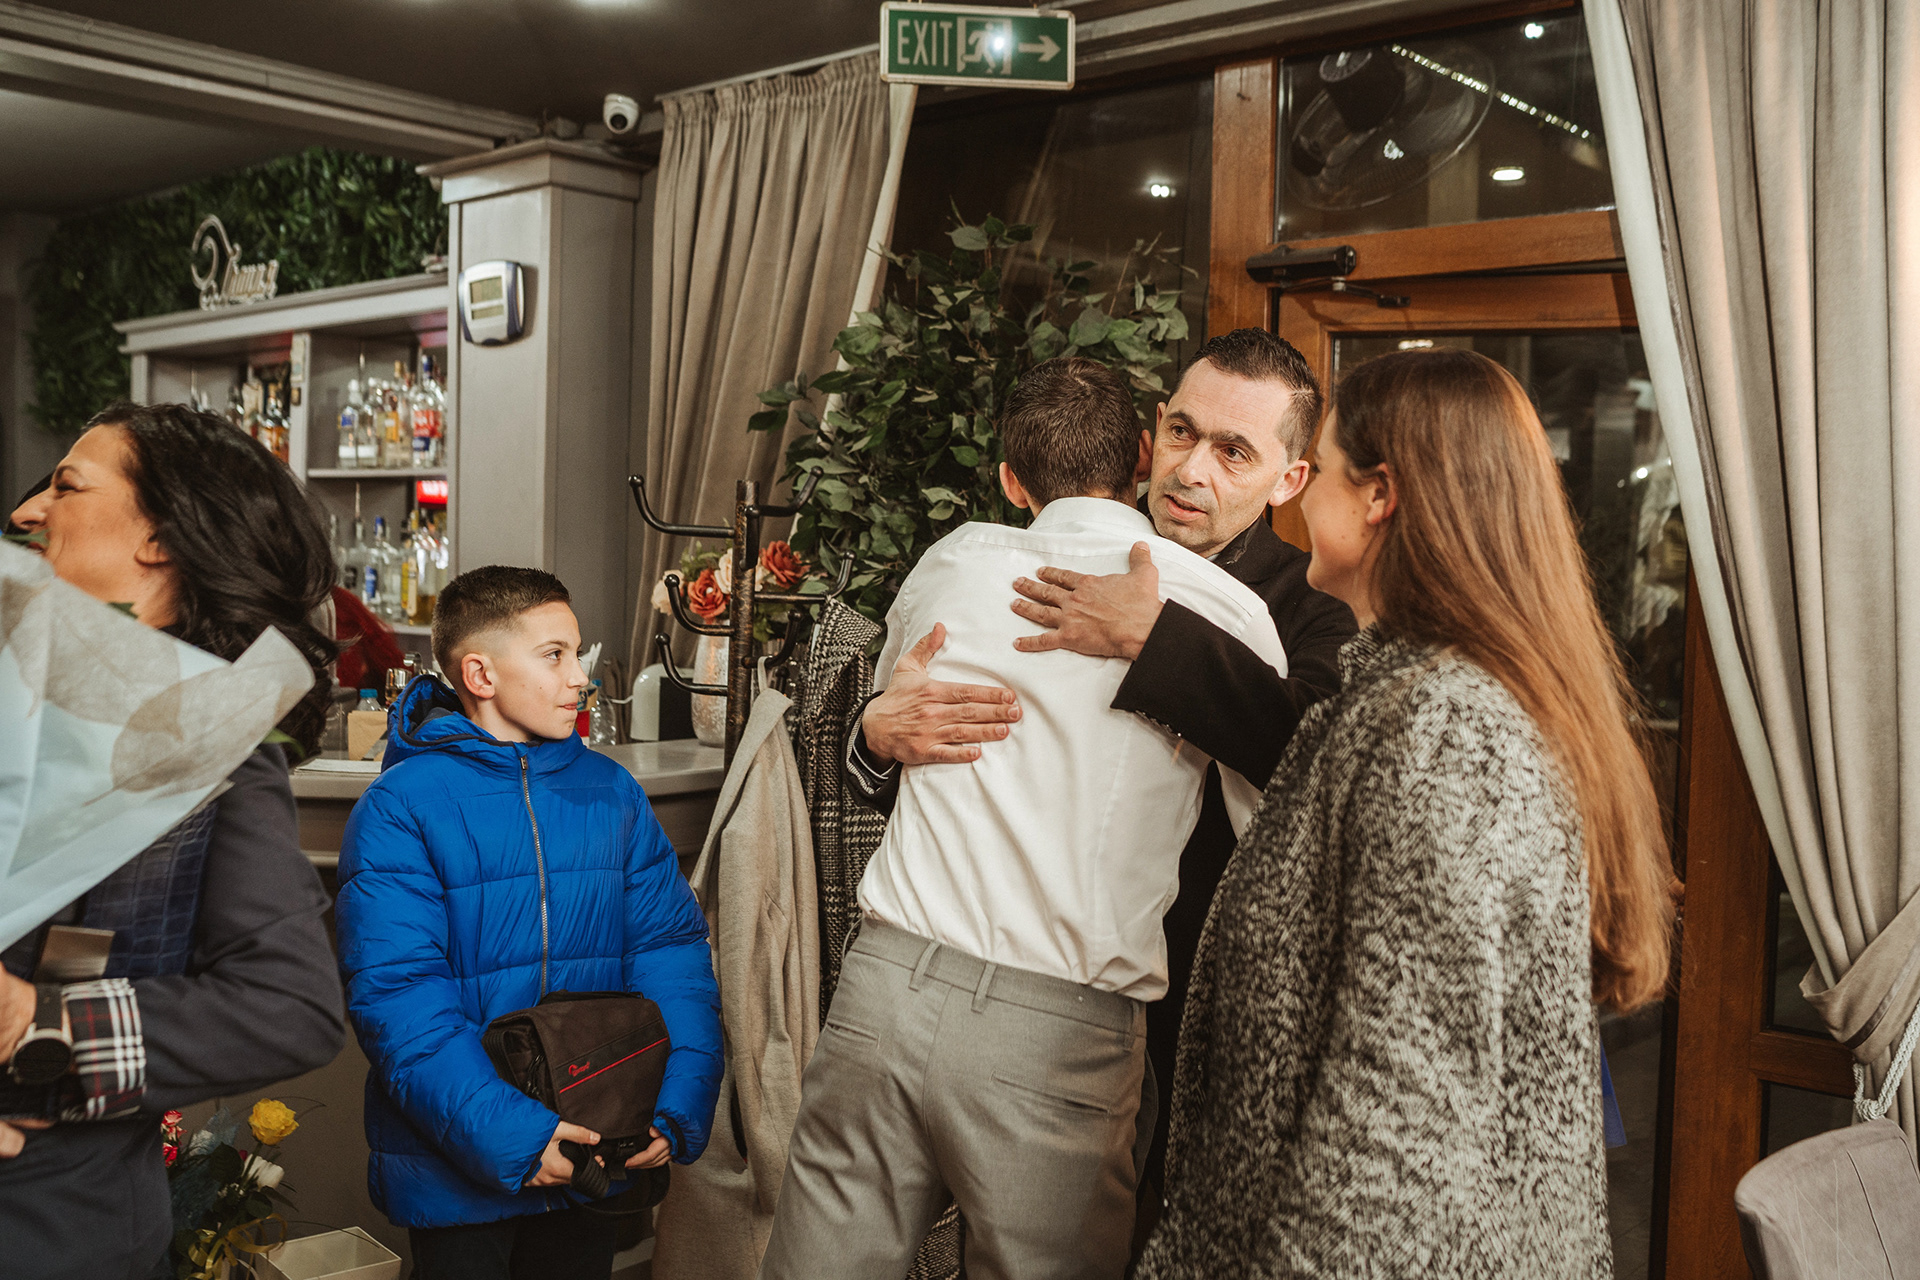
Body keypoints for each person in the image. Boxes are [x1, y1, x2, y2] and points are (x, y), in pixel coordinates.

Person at [1136, 349, 1677, 1277]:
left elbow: (1392, 1142)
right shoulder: (1410, 697)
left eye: (1321, 467)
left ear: (1377, 496)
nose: (1303, 498)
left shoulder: (1441, 731)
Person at [761, 357, 1288, 1280]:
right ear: (1142, 453)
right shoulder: (1227, 610)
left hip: (881, 988)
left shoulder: (952, 560)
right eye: (1182, 436)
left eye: (1233, 450)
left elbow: (902, 700)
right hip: (1058, 1029)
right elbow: (1284, 826)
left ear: (1011, 481)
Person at [848, 329, 1358, 1200]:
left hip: (1202, 1002)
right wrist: (874, 736)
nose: (1192, 471)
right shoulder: (1021, 555)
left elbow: (1318, 760)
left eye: (1234, 453)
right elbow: (947, 745)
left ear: (1290, 480)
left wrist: (1156, 637)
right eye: (1183, 433)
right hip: (995, 1000)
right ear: (1150, 434)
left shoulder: (1313, 607)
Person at [0, 401, 346, 1279]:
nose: (26, 509)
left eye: (66, 487)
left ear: (160, 539)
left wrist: (36, 1028)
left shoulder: (216, 753)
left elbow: (290, 1007)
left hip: (52, 1232)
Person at [335, 565, 724, 1280]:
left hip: (597, 1147)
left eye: (577, 652)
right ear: (480, 674)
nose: (580, 677)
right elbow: (399, 999)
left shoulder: (611, 792)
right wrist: (514, 1136)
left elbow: (671, 954)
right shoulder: (401, 807)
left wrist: (675, 1100)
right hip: (459, 1168)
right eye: (555, 656)